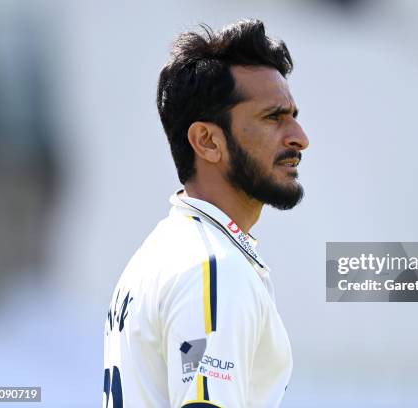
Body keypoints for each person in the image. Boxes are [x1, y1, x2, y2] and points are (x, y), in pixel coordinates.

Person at [103, 19, 309, 407]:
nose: (300, 137)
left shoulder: (164, 251)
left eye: (293, 115)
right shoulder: (213, 267)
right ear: (207, 141)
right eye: (273, 117)